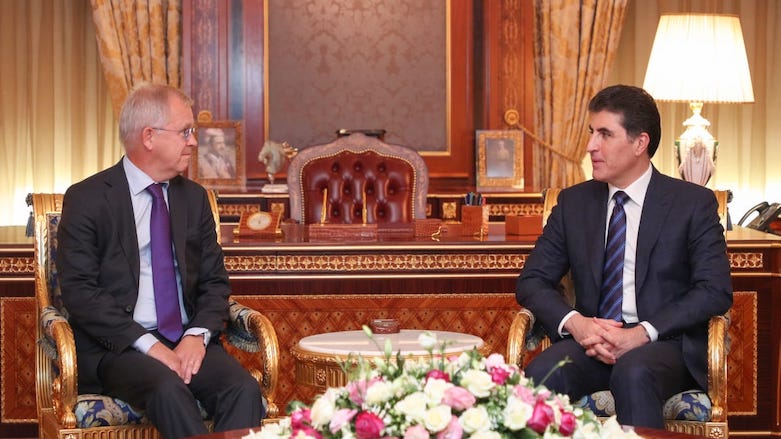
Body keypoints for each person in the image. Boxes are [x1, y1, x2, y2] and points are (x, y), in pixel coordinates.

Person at [516, 84, 732, 428]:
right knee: (539, 375)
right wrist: (578, 323)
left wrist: (643, 332)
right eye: (591, 133)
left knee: (634, 371)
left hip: (663, 345)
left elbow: (714, 290)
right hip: (592, 342)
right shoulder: (574, 203)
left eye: (604, 134)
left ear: (640, 143)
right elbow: (533, 281)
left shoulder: (691, 204)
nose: (590, 146)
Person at [56, 83, 264, 439]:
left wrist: (197, 336)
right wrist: (150, 346)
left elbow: (215, 283)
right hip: (121, 347)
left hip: (186, 338)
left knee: (242, 388)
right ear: (149, 137)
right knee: (169, 389)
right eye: (185, 132)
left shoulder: (194, 199)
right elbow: (80, 293)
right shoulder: (88, 198)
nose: (194, 142)